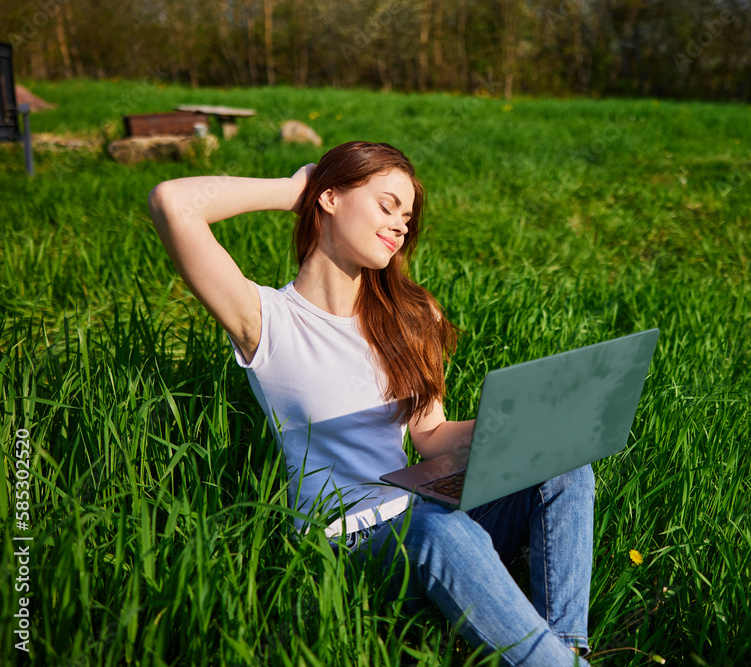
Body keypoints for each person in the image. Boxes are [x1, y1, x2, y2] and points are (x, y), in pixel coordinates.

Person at [148, 140, 594, 665]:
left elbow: (430, 438)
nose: (402, 225)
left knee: (566, 469)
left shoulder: (409, 315)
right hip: (345, 548)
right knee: (439, 530)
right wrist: (297, 188)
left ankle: (567, 649)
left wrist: (512, 432)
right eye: (387, 206)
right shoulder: (265, 320)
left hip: (422, 517)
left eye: (407, 216)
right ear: (331, 198)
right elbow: (173, 202)